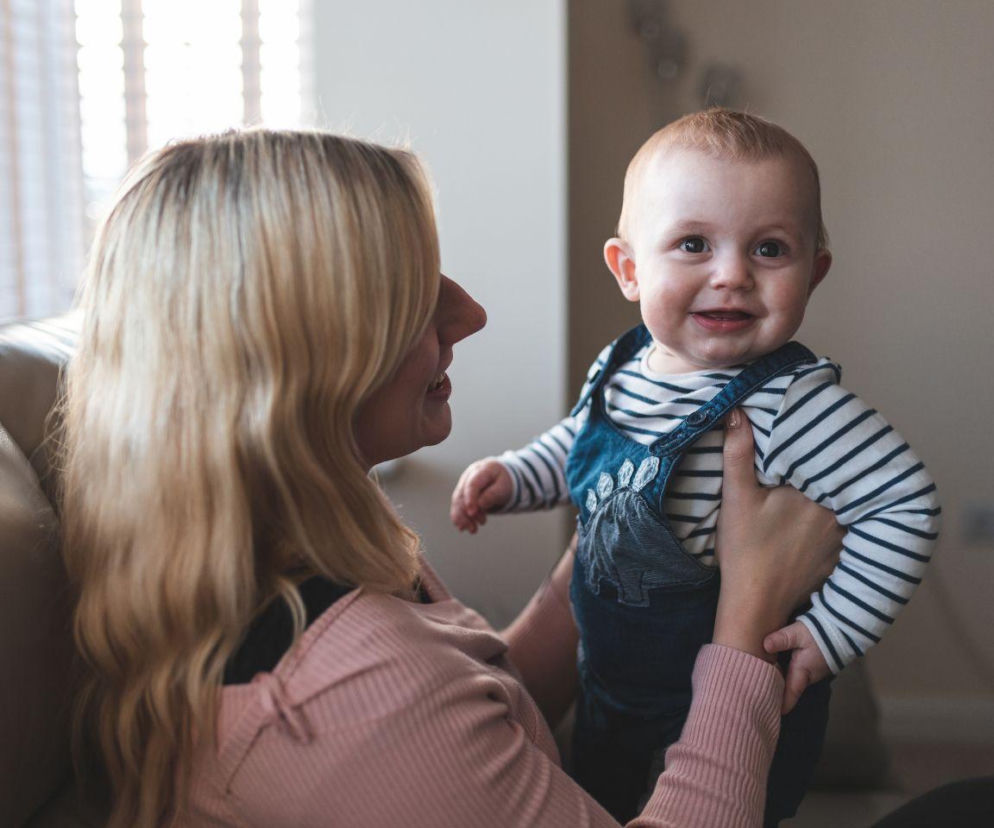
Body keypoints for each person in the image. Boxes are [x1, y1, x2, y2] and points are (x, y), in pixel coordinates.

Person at [60, 127, 842, 828]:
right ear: (302, 352)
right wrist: (750, 613)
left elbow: (471, 731)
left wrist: (619, 528)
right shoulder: (338, 696)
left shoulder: (299, 552)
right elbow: (411, 716)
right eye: (414, 291)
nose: (469, 313)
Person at [450, 108, 941, 824]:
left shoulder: (792, 403)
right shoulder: (621, 368)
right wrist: (515, 476)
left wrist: (832, 631)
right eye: (692, 244)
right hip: (610, 684)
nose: (732, 275)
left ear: (815, 271)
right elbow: (578, 448)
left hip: (728, 697)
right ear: (628, 269)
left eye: (770, 250)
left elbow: (907, 502)